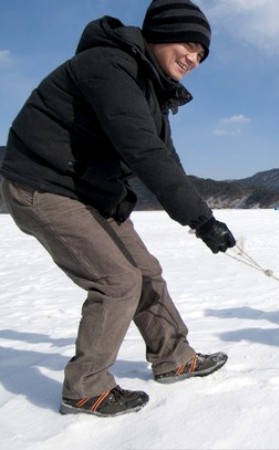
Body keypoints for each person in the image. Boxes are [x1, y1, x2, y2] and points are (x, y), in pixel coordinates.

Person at [0, 0, 236, 417]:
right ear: (159, 35)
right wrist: (200, 218)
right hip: (43, 186)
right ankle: (86, 388)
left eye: (201, 54)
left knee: (146, 270)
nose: (194, 58)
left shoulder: (151, 91)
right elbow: (143, 152)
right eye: (188, 44)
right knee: (118, 281)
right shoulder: (109, 66)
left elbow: (166, 159)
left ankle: (174, 357)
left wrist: (203, 220)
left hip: (87, 192)